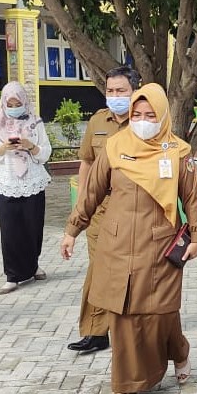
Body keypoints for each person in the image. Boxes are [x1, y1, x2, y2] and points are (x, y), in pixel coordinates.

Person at [60, 83, 197, 394]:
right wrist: (72, 231)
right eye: (137, 114)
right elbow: (92, 193)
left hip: (160, 247)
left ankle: (179, 351)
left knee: (161, 312)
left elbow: (191, 199)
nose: (142, 120)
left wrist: (196, 236)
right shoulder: (114, 147)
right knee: (122, 315)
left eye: (150, 115)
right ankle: (124, 384)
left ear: (163, 116)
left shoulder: (179, 152)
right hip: (116, 244)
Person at [66, 66, 139, 354]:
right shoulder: (98, 121)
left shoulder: (143, 122)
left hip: (131, 210)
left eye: (121, 91)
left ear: (135, 90)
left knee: (130, 271)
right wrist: (82, 201)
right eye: (111, 91)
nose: (115, 96)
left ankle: (131, 328)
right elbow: (86, 162)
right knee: (98, 269)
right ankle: (95, 331)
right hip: (99, 209)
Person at [0, 81, 52, 294]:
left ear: (24, 101)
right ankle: (12, 276)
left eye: (18, 102)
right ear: (4, 102)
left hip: (33, 181)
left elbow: (46, 152)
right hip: (6, 182)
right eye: (10, 103)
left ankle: (33, 266)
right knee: (10, 229)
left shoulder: (35, 121)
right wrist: (4, 147)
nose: (14, 106)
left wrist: (30, 146)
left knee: (33, 228)